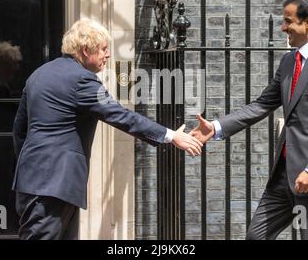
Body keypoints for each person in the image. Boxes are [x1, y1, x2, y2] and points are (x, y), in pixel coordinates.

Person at [12, 17, 203, 240]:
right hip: (56, 183)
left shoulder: (39, 74)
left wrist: (30, 167)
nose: (107, 55)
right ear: (85, 50)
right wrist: (170, 136)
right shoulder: (82, 80)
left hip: (32, 179)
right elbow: (121, 116)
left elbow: (19, 130)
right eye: (103, 49)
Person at [191, 0, 308, 240]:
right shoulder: (288, 61)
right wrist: (216, 127)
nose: (283, 27)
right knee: (257, 235)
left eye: (288, 21)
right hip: (283, 173)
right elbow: (262, 104)